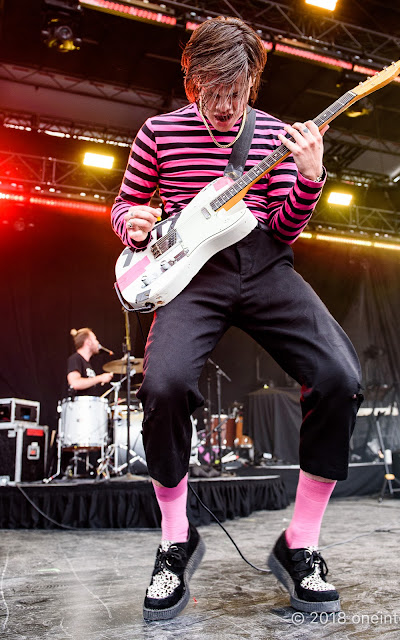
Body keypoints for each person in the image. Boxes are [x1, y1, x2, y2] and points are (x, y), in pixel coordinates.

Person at [111, 16, 363, 621]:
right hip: (193, 275)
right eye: (211, 90)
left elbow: (283, 225)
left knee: (339, 378)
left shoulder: (275, 133)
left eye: (237, 90)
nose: (225, 106)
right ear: (191, 80)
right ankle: (176, 540)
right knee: (163, 386)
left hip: (265, 265)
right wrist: (135, 224)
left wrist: (309, 177)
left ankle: (301, 542)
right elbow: (127, 204)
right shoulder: (158, 133)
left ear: (253, 80)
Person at [67, 328, 113, 396]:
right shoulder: (75, 359)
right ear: (88, 342)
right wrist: (100, 378)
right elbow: (75, 383)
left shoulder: (87, 364)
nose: (98, 342)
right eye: (95, 339)